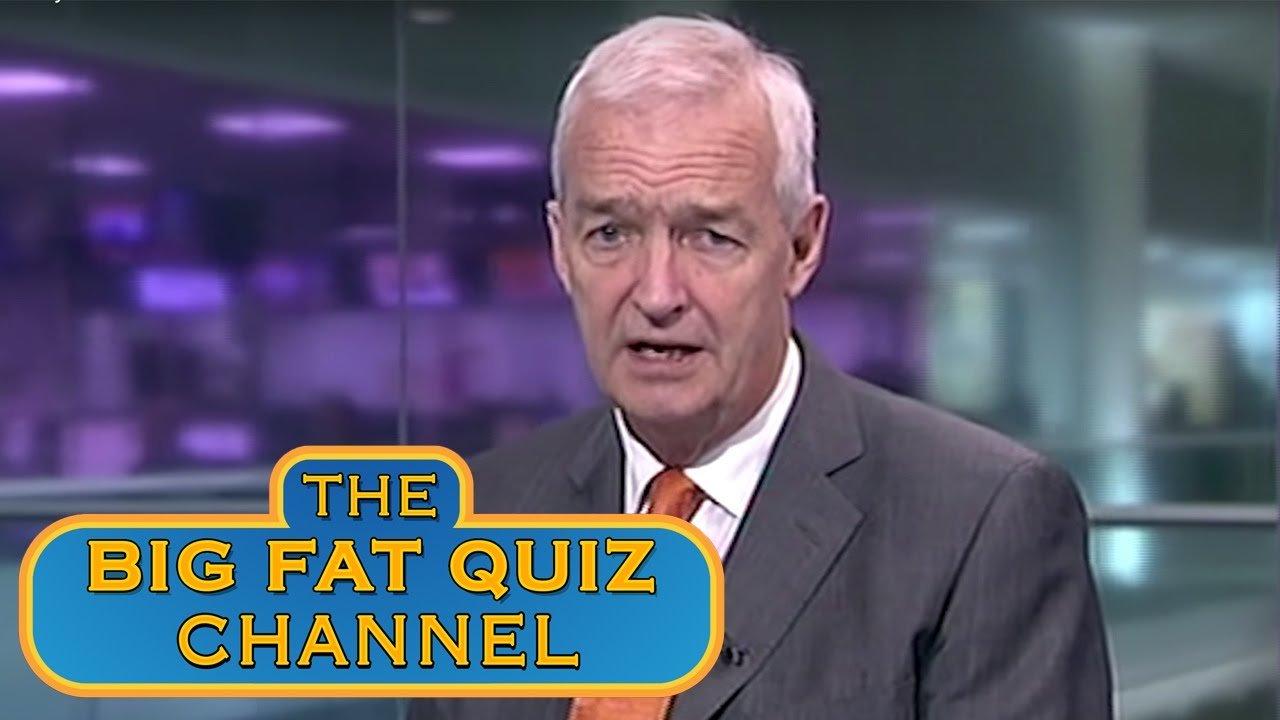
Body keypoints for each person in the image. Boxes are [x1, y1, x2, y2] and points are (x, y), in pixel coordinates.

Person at [411, 14, 1113, 720]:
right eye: (612, 234)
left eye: (711, 237)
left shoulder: (982, 520)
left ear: (802, 246)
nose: (656, 293)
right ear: (561, 247)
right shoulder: (476, 519)